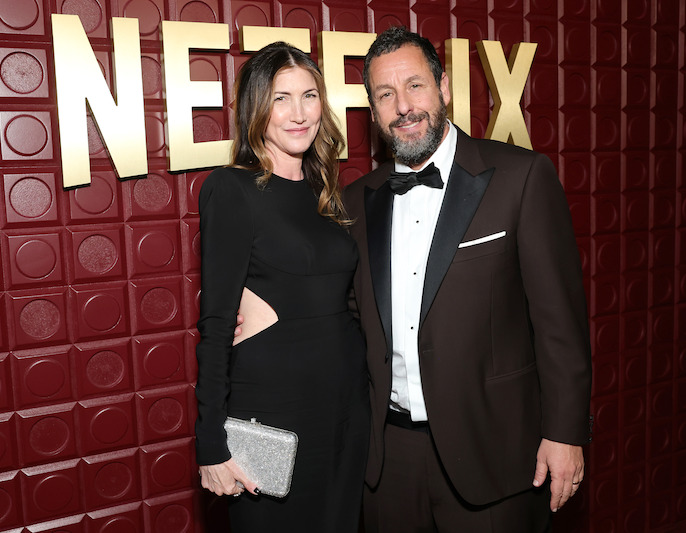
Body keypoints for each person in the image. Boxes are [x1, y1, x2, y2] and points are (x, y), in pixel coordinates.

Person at [343, 27, 592, 532]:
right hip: (391, 463)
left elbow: (559, 326)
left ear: (444, 88)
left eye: (415, 85)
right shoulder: (355, 202)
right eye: (385, 95)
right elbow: (346, 319)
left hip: (496, 453)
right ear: (373, 111)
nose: (403, 107)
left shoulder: (521, 178)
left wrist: (565, 434)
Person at [194, 42, 369, 533]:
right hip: (273, 414)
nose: (298, 113)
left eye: (309, 96)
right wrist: (210, 443)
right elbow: (214, 327)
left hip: (346, 410)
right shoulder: (231, 189)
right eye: (280, 98)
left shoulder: (328, 192)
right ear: (256, 109)